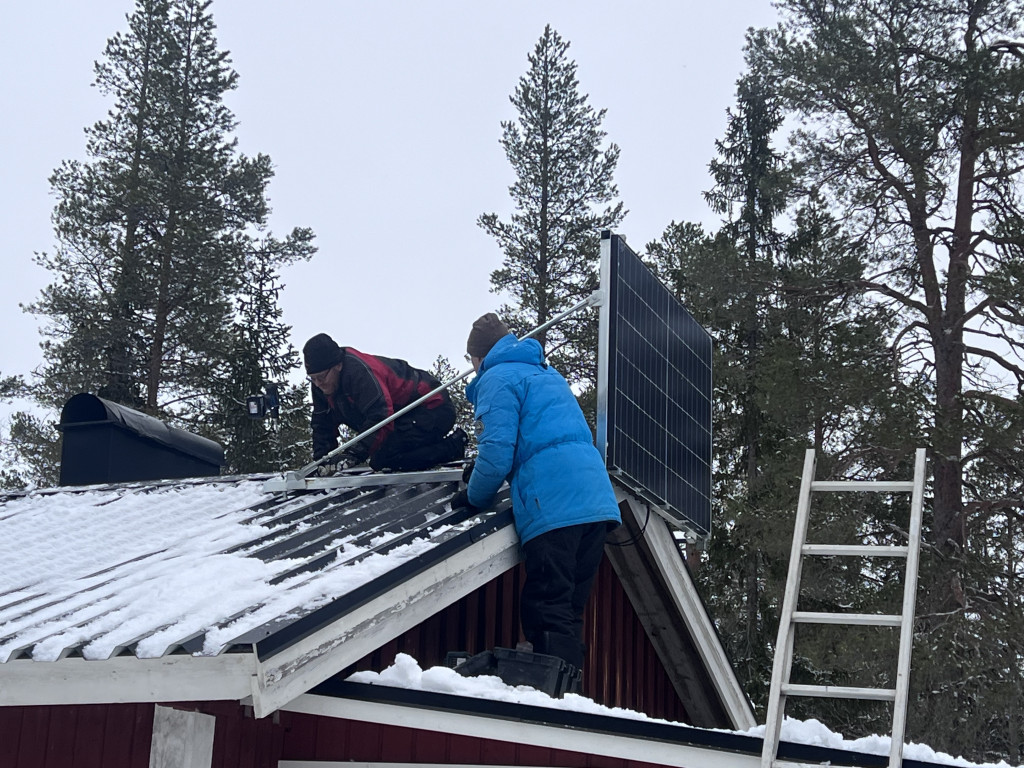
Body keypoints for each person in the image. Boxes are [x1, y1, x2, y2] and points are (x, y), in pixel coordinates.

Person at [451, 313, 621, 674]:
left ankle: (551, 703)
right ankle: (569, 690)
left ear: (478, 357)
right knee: (568, 611)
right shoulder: (545, 373)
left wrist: (474, 496)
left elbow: (496, 453)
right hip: (596, 501)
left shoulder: (497, 378)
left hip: (553, 505)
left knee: (546, 608)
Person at [302, 333, 467, 473]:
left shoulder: (359, 373)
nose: (318, 384)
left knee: (385, 458)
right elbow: (322, 423)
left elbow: (380, 416)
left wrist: (353, 454)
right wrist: (321, 463)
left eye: (321, 377)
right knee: (384, 454)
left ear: (337, 365)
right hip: (401, 417)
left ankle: (453, 447)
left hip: (431, 406)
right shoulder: (322, 385)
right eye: (313, 378)